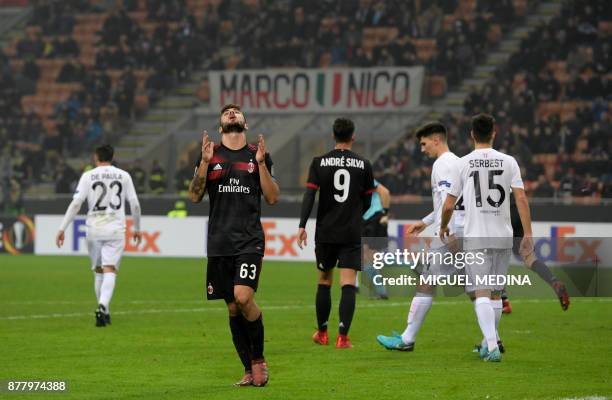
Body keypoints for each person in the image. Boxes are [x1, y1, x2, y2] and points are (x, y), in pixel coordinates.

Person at [189, 104, 279, 387]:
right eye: (227, 112)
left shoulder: (257, 155)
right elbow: (194, 196)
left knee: (243, 297)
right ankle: (248, 369)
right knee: (231, 308)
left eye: (236, 112)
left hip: (249, 240)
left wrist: (263, 164)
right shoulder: (209, 154)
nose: (231, 113)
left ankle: (259, 361)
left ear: (245, 124)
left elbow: (272, 197)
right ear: (220, 126)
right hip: (219, 242)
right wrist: (203, 163)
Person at [440, 113, 534, 362]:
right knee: (495, 293)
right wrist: (528, 233)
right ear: (494, 132)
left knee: (481, 291)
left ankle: (492, 346)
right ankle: (487, 342)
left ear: (472, 134)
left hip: (476, 236)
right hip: (503, 236)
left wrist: (443, 225)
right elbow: (521, 199)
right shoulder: (509, 162)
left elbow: (449, 204)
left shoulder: (463, 163)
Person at [376, 121, 465, 351]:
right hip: (462, 230)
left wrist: (449, 233)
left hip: (448, 233)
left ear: (436, 140)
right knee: (475, 288)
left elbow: (448, 205)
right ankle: (492, 340)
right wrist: (424, 222)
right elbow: (450, 203)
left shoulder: (442, 164)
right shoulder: (458, 162)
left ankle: (407, 339)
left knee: (426, 282)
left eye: (424, 144)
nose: (422, 149)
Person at [297, 117, 375, 349]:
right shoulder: (364, 163)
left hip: (326, 231)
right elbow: (369, 200)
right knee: (348, 283)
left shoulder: (319, 162)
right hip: (351, 231)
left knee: (324, 280)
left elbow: (310, 195)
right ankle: (343, 337)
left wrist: (302, 225)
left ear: (333, 136)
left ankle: (322, 333)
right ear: (353, 137)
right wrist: (354, 215)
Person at [56, 144, 142, 327]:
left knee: (98, 272)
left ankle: (105, 311)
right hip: (115, 229)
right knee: (110, 269)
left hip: (93, 229)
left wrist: (62, 228)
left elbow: (76, 204)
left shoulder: (88, 176)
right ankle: (103, 306)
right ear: (113, 157)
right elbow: (134, 204)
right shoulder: (124, 176)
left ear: (96, 157)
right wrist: (137, 227)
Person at [360, 179, 390, 299]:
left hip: (374, 219)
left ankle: (381, 291)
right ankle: (381, 291)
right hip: (366, 220)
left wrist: (385, 214)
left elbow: (385, 192)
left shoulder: (365, 178)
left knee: (368, 258)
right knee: (367, 258)